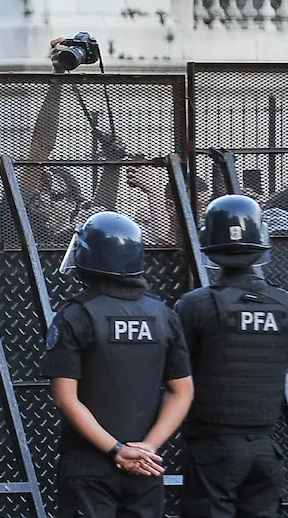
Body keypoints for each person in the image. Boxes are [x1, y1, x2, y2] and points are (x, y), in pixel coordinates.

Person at [43, 211, 194, 518]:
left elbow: (64, 397)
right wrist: (147, 449)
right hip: (145, 467)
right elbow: (182, 391)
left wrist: (117, 449)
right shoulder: (163, 315)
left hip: (89, 466)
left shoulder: (75, 315)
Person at [174, 195, 288, 518]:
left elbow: (174, 371)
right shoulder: (285, 304)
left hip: (212, 448)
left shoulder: (195, 304)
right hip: (265, 447)